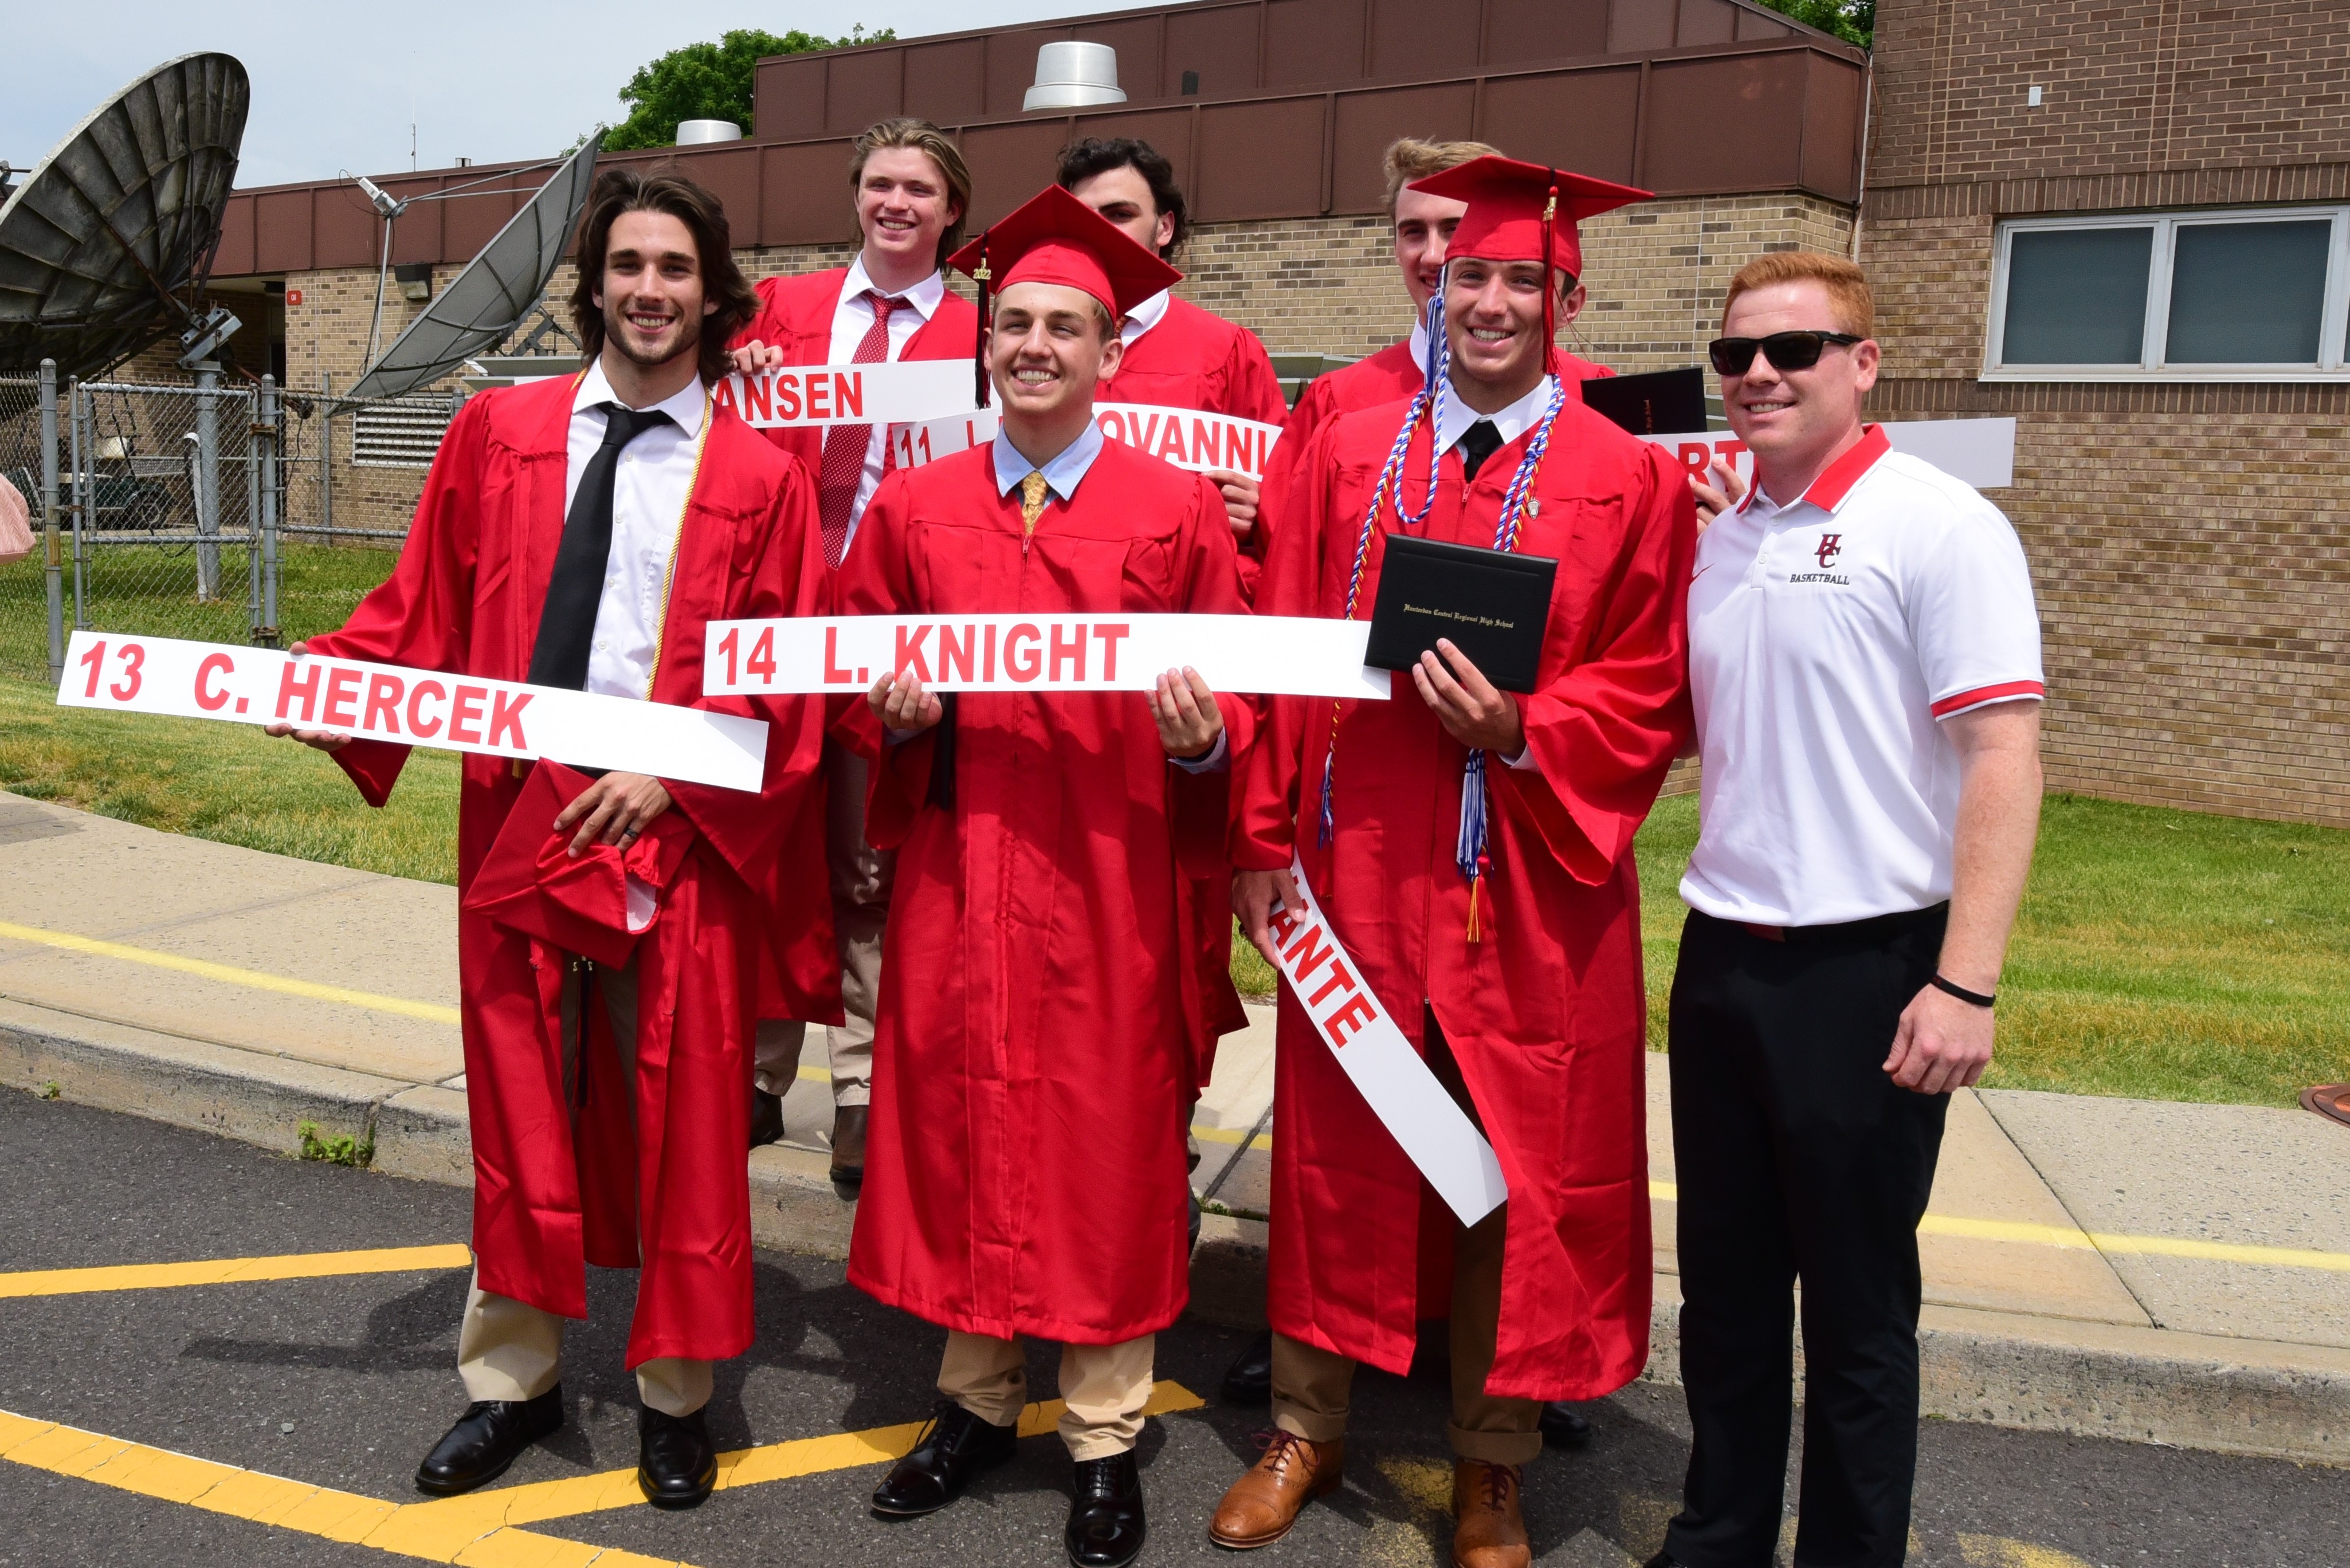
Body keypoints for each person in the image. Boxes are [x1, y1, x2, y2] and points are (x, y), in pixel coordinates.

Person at [269, 168, 827, 1508]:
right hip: (520, 811)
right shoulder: (500, 433)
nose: (649, 290)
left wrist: (671, 777)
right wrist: (328, 684)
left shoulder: (760, 474)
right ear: (593, 287)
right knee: (519, 1101)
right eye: (627, 265)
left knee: (685, 1114)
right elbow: (423, 605)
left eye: (675, 269)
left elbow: (784, 678)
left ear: (713, 293)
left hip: (672, 830)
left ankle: (675, 1395)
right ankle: (507, 1383)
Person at [1215, 155, 1694, 1568]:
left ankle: (1492, 1457)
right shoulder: (1346, 445)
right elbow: (1275, 644)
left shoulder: (1624, 478)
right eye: (1466, 274)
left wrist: (1523, 723)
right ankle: (1307, 1424)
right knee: (1333, 1150)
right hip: (1353, 862)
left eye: (1517, 282)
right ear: (1435, 283)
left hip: (1527, 891)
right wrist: (1254, 837)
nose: (1486, 300)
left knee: (1512, 1163)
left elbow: (1651, 686)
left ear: (1562, 298)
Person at [839, 184, 1254, 1568]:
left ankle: (1099, 1434)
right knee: (965, 1128)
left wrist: (1208, 745)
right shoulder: (913, 506)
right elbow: (851, 666)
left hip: (1104, 883)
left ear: (1107, 353)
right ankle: (968, 1405)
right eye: (1010, 321)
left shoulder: (1173, 510)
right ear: (983, 343)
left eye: (1061, 326)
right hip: (962, 875)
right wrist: (882, 711)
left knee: (1101, 1147)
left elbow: (1239, 692)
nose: (1032, 345)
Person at [1647, 252, 2044, 1568]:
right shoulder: (1721, 532)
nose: (1757, 375)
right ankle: (1717, 1540)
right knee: (1726, 1300)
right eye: (1734, 356)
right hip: (1720, 962)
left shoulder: (1938, 524)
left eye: (1794, 350)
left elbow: (2002, 753)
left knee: (1859, 1315)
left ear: (1861, 365)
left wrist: (1963, 980)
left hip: (1868, 968)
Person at [728, 118, 982, 1187]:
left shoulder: (978, 331)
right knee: (761, 844)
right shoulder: (781, 309)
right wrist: (731, 364)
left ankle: (862, 1093)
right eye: (880, 183)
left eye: (919, 189)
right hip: (778, 612)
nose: (896, 203)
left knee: (867, 864)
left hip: (894, 621)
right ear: (855, 195)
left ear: (950, 210)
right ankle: (753, 1074)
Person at [1057, 136, 1288, 594]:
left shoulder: (1226, 352)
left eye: (1119, 215)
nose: (1098, 232)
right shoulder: (1030, 349)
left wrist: (1257, 508)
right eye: (1082, 218)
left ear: (1164, 227)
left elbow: (1286, 498)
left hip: (1178, 604)